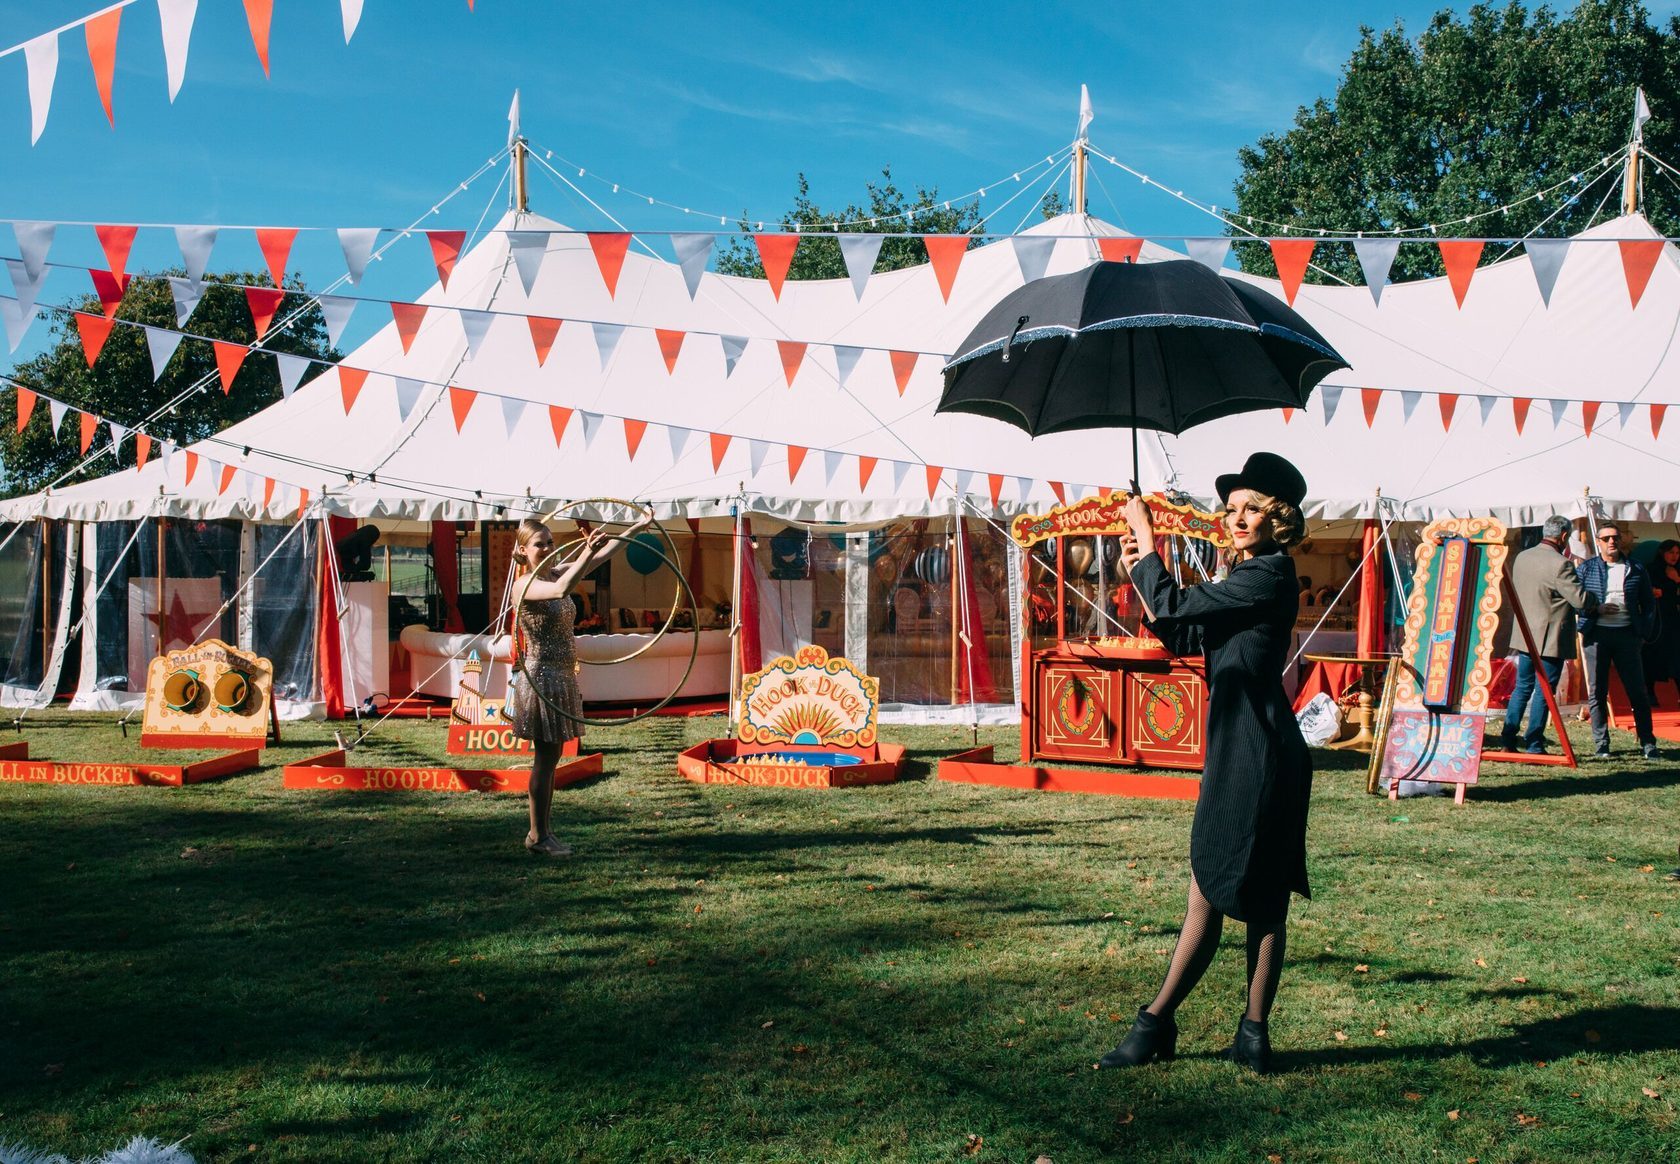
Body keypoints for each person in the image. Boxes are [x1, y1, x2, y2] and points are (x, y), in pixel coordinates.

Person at [1102, 452, 1313, 1075]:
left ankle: (1157, 1023)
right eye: (1232, 508)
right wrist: (1141, 573)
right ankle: (1248, 1035)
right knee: (1240, 889)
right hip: (1246, 743)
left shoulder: (1271, 573)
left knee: (1224, 891)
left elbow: (1175, 605)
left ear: (1278, 519)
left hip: (1258, 750)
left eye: (1252, 508)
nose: (1237, 517)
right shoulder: (1249, 577)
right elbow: (1187, 634)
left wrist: (1145, 542)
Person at [508, 513, 651, 856]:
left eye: (550, 542)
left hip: (562, 676)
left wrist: (636, 528)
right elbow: (562, 589)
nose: (547, 548)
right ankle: (537, 835)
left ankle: (543, 832)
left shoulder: (556, 571)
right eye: (539, 544)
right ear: (523, 551)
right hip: (541, 676)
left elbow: (601, 556)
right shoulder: (525, 584)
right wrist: (587, 551)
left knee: (553, 756)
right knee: (545, 758)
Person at [1500, 516, 1596, 754]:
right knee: (1544, 690)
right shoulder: (1560, 564)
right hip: (1550, 636)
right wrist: (1596, 600)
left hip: (1525, 634)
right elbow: (1580, 600)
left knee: (1522, 687)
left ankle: (1508, 739)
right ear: (1563, 536)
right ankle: (1533, 742)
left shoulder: (1523, 557)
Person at [1576, 521, 1660, 761]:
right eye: (1606, 539)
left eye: (1615, 537)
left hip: (1627, 635)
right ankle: (1602, 743)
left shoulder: (1635, 568)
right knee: (1597, 692)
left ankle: (1648, 742)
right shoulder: (1588, 569)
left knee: (1637, 691)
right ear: (1598, 541)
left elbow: (1648, 602)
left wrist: (1642, 631)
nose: (1611, 542)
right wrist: (1595, 609)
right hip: (1596, 635)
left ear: (1621, 540)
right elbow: (1576, 601)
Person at [1644, 539, 1680, 707]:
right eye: (1671, 552)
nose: (1674, 556)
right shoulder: (1651, 569)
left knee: (1677, 659)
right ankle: (1650, 694)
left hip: (1675, 621)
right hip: (1657, 620)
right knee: (1652, 657)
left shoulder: (1677, 570)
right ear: (1662, 552)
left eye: (1677, 553)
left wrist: (1677, 580)